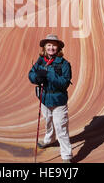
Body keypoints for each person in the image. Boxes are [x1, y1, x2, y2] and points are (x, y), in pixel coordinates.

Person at [28, 34, 73, 163]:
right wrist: (36, 78)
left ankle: (66, 156)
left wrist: (48, 75)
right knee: (48, 121)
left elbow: (64, 83)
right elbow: (31, 74)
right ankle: (49, 139)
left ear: (58, 48)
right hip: (44, 98)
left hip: (58, 101)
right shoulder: (41, 60)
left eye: (54, 45)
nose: (51, 48)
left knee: (61, 128)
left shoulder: (64, 64)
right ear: (45, 47)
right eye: (48, 45)